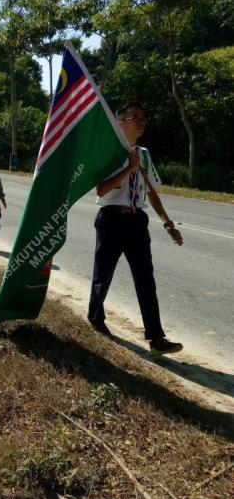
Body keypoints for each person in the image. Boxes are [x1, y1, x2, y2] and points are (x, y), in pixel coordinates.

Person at [87, 101, 183, 357]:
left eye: (144, 117)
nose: (141, 121)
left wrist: (167, 222)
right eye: (135, 117)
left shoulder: (144, 154)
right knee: (103, 274)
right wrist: (128, 168)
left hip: (136, 220)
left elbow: (151, 192)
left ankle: (156, 337)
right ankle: (95, 316)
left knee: (145, 280)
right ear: (121, 122)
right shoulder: (110, 152)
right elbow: (101, 190)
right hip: (111, 219)